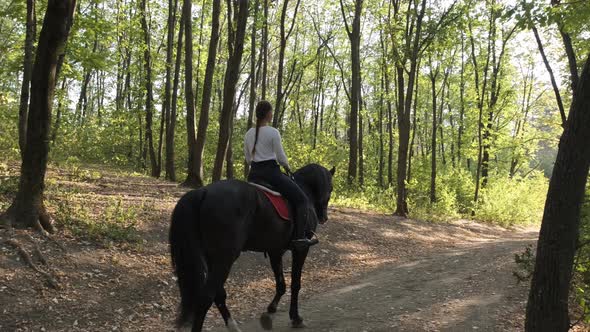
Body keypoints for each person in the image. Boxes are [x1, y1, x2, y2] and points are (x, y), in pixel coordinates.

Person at [244, 100, 318, 250]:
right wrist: (287, 167)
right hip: (271, 174)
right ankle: (299, 238)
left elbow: (247, 158)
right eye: (271, 111)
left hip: (253, 175)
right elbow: (281, 156)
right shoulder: (273, 132)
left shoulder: (248, 134)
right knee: (302, 200)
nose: (272, 113)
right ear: (268, 114)